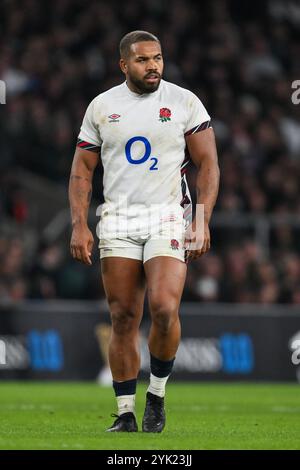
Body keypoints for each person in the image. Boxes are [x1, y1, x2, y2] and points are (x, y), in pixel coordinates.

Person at [69, 30, 219, 433]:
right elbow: (83, 169)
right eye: (142, 60)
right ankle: (125, 412)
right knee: (122, 316)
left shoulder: (184, 101)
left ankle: (156, 394)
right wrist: (79, 224)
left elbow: (208, 164)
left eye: (157, 58)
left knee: (165, 308)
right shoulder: (102, 106)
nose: (152, 65)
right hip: (118, 218)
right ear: (124, 64)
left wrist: (201, 219)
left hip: (168, 215)